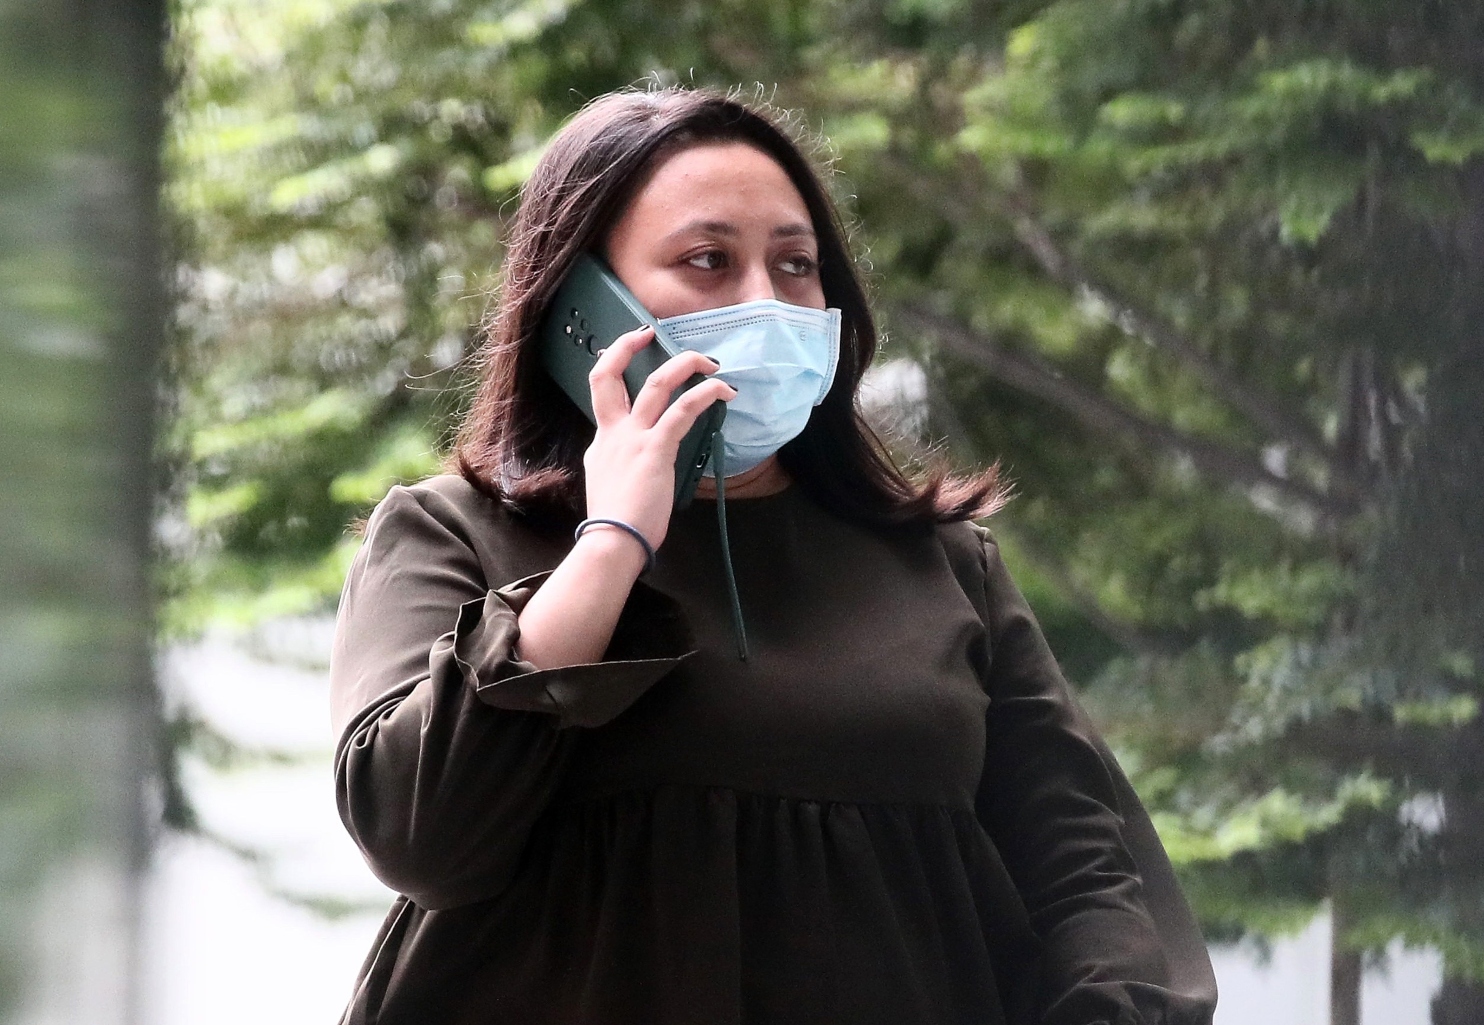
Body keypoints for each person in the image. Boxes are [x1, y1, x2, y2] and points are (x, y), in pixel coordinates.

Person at [329, 87, 1217, 1025]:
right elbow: (421, 839)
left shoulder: (947, 565)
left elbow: (1087, 874)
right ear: (579, 306)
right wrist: (613, 541)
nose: (765, 302)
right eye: (707, 260)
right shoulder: (446, 532)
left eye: (796, 265)